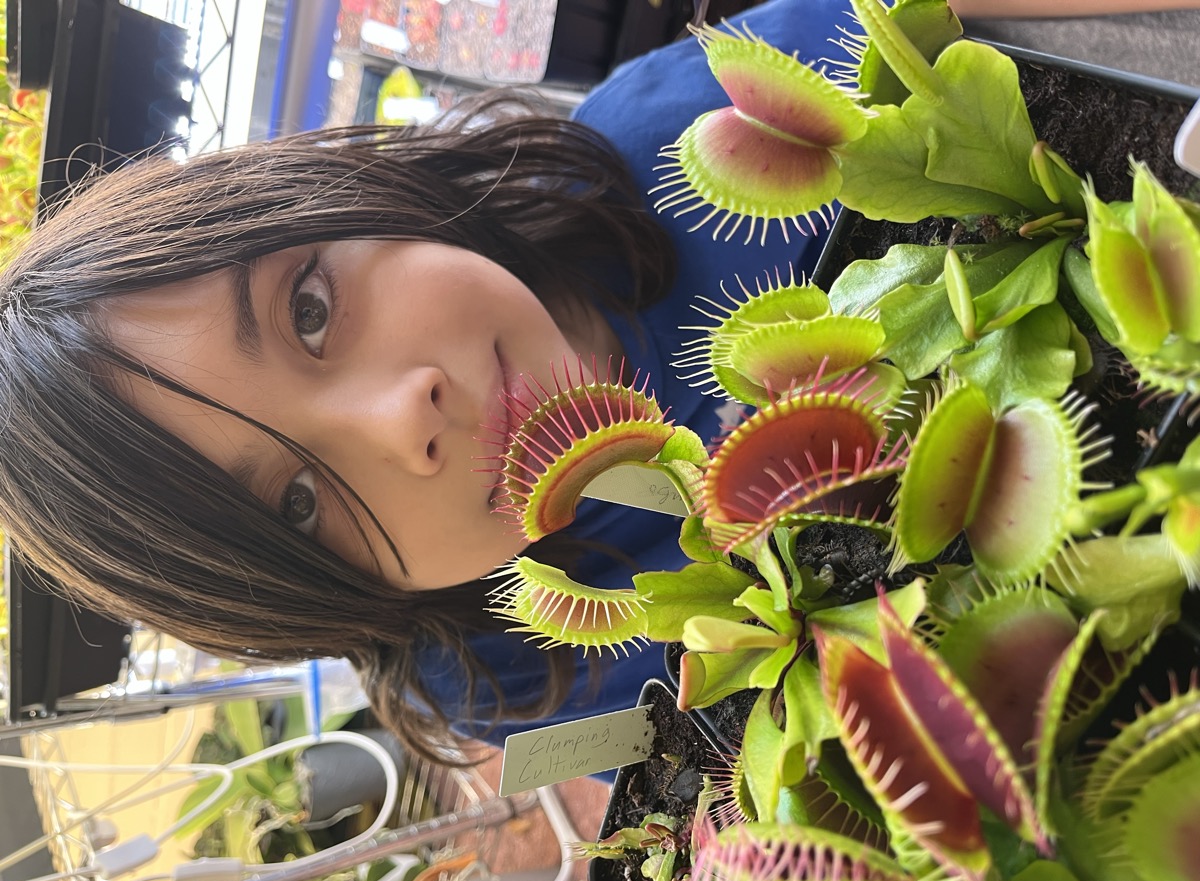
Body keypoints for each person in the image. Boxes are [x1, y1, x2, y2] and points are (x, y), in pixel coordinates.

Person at [0, 0, 1189, 768]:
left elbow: (1047, 33)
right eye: (299, 506)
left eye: (310, 311)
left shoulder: (684, 130)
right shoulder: (502, 671)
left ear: (343, 205)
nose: (398, 420)